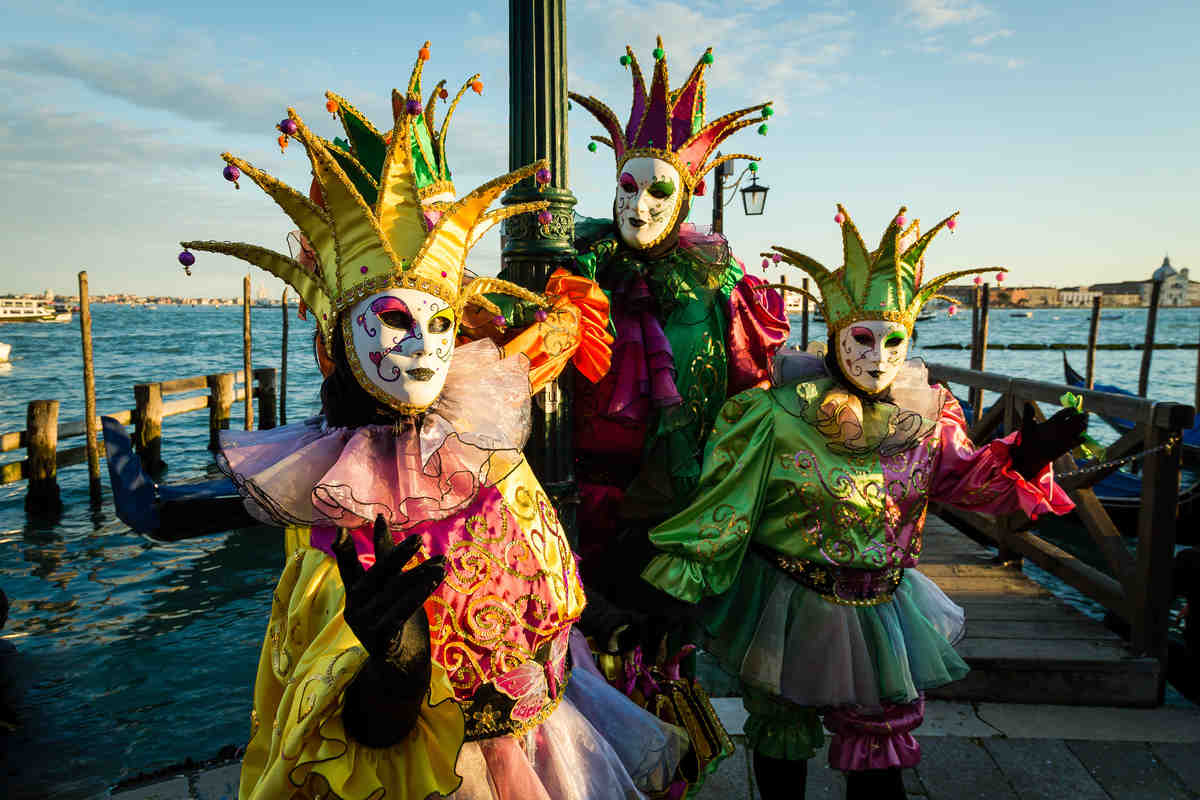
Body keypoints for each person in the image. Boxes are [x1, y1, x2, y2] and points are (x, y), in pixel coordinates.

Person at [180, 46, 686, 799]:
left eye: (441, 322)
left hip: (547, 743)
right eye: (391, 320)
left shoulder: (486, 451)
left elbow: (537, 582)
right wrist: (394, 666)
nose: (422, 347)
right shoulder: (338, 498)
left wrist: (599, 615)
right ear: (334, 342)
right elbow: (336, 720)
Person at [640, 205, 1087, 799]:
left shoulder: (927, 418)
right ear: (834, 334)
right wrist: (678, 576)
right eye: (862, 338)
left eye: (894, 339)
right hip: (787, 605)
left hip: (884, 607)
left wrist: (1028, 455)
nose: (878, 356)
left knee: (879, 758)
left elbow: (966, 482)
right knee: (781, 739)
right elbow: (729, 502)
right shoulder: (774, 413)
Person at [560, 35, 789, 614]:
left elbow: (748, 400)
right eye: (628, 188)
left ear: (686, 196)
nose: (640, 207)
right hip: (578, 501)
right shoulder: (576, 272)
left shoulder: (720, 287)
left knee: (661, 651)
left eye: (659, 190)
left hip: (679, 512)